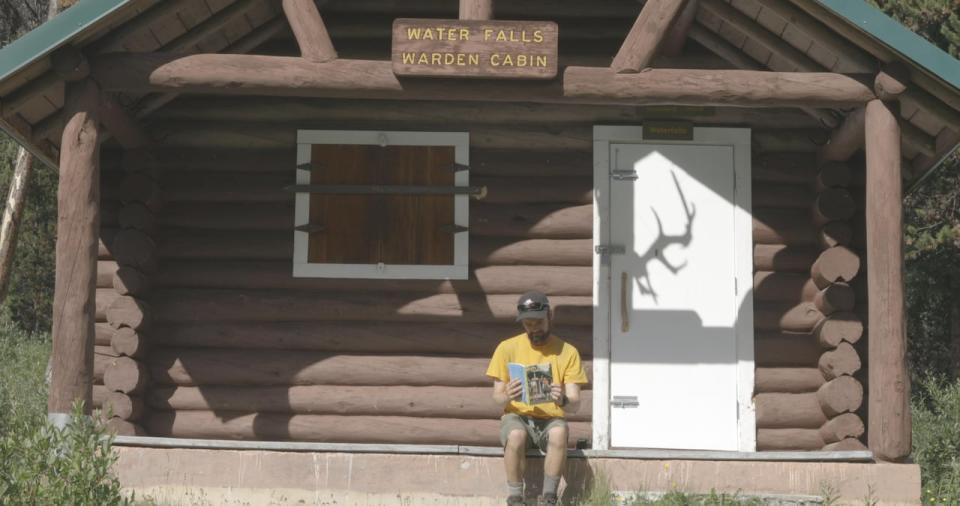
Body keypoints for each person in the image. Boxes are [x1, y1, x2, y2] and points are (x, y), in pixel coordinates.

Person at [485, 291, 589, 506]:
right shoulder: (507, 348)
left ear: (549, 316)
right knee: (515, 435)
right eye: (528, 324)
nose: (534, 329)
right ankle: (515, 498)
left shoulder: (568, 352)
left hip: (551, 420)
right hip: (517, 416)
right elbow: (495, 398)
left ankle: (549, 498)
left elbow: (575, 404)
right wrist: (506, 395)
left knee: (559, 431)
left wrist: (562, 399)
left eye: (538, 322)